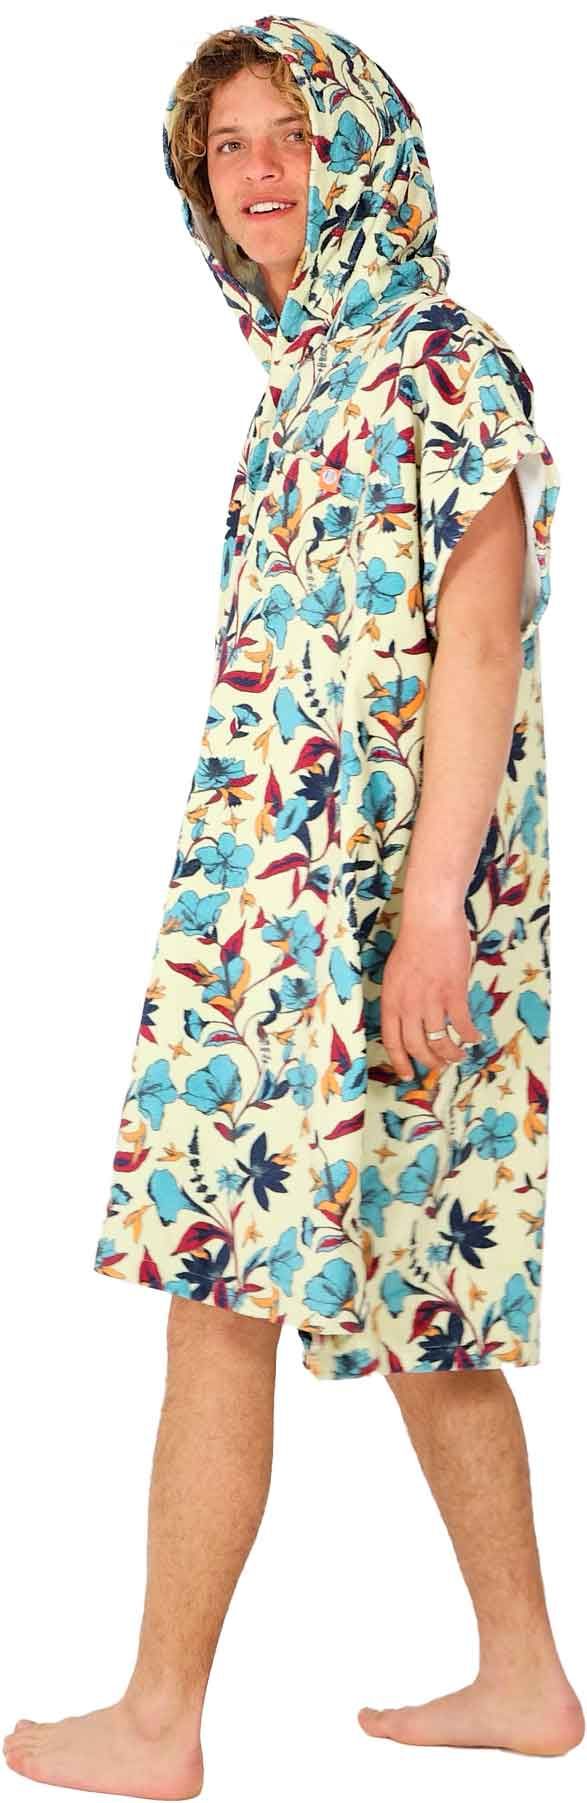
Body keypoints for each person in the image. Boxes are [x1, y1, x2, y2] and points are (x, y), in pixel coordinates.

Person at [4, 13, 583, 1795]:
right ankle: (525, 1680)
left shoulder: (436, 360)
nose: (258, 172)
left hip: (384, 914)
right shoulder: (304, 380)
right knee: (415, 1290)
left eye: (292, 135)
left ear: (364, 156)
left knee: (232, 1285)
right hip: (267, 914)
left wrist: (435, 915)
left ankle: (159, 1721)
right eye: (228, 146)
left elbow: (480, 647)